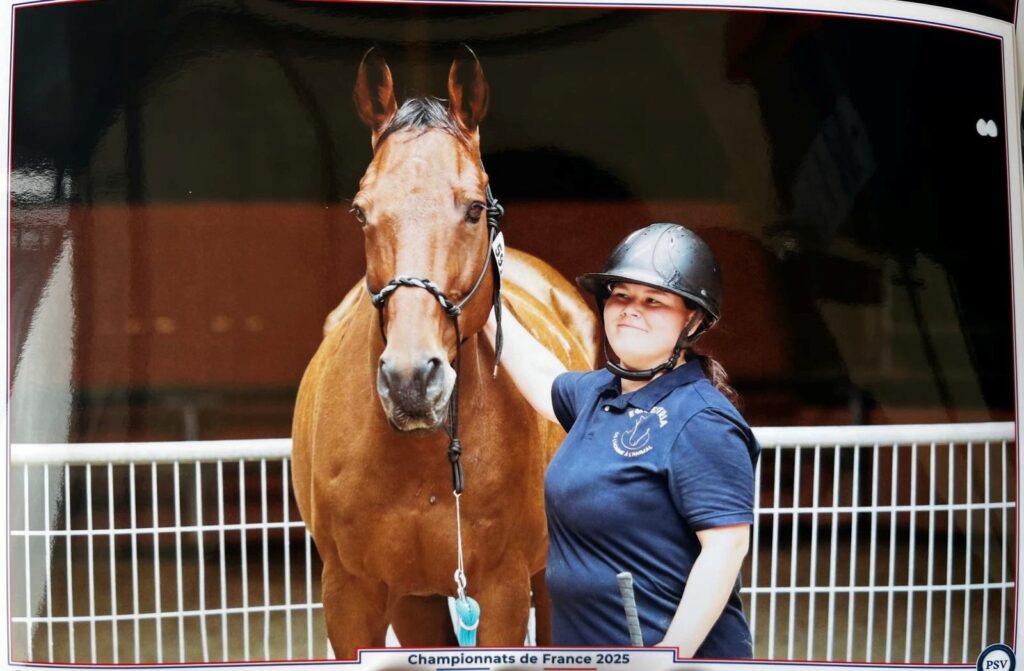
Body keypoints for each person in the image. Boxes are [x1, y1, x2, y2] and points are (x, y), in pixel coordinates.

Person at [482, 223, 759, 657]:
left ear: (693, 319)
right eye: (621, 295)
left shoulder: (702, 420)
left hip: (667, 662)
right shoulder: (598, 394)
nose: (631, 310)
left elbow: (726, 548)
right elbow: (540, 374)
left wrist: (668, 656)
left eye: (653, 300)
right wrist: (485, 299)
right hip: (591, 655)